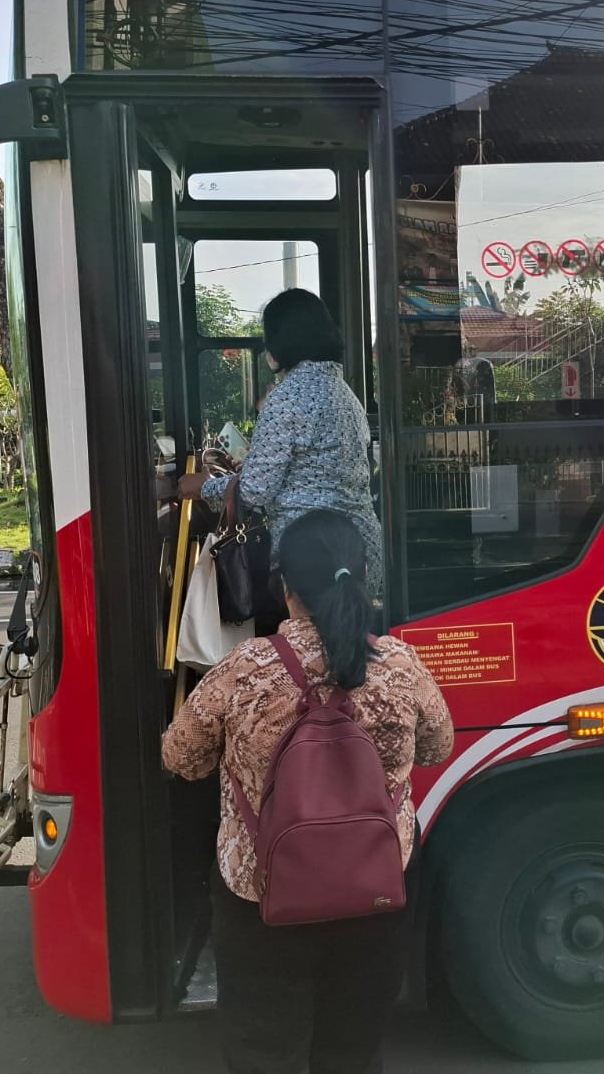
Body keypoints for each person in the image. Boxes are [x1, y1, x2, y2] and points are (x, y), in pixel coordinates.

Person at [161, 510, 453, 1074]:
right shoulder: (398, 663)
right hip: (375, 892)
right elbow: (437, 746)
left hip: (263, 900)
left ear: (286, 588)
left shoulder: (244, 668)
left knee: (264, 1052)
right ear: (362, 577)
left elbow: (181, 757)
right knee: (353, 1050)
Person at [176, 289, 383, 611]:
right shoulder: (344, 393)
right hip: (359, 549)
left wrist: (203, 487)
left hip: (311, 558)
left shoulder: (287, 398)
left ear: (281, 342)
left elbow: (256, 492)